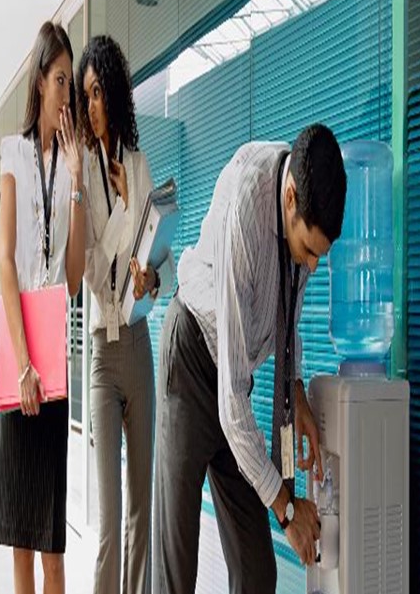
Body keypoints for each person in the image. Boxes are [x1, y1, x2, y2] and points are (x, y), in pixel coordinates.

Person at [153, 124, 347, 593]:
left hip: (231, 378)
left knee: (258, 572)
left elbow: (288, 318)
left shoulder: (302, 202)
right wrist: (285, 510)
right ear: (289, 198)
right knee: (175, 567)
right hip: (192, 362)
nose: (314, 265)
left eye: (321, 255)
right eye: (309, 250)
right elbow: (232, 405)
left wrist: (297, 391)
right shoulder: (247, 205)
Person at [0, 21, 86, 594]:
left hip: (53, 359)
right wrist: (22, 363)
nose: (67, 94)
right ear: (39, 84)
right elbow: (5, 262)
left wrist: (76, 184)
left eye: (71, 83)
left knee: (52, 543)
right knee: (21, 542)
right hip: (21, 354)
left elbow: (72, 278)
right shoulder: (13, 154)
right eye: (60, 80)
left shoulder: (70, 166)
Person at [77, 34, 173, 594]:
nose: (91, 106)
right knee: (111, 525)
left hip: (138, 344)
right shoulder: (83, 174)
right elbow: (90, 261)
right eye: (84, 95)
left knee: (144, 513)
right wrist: (125, 213)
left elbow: (159, 257)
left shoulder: (138, 165)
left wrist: (151, 276)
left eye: (97, 92)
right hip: (102, 355)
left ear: (115, 95)